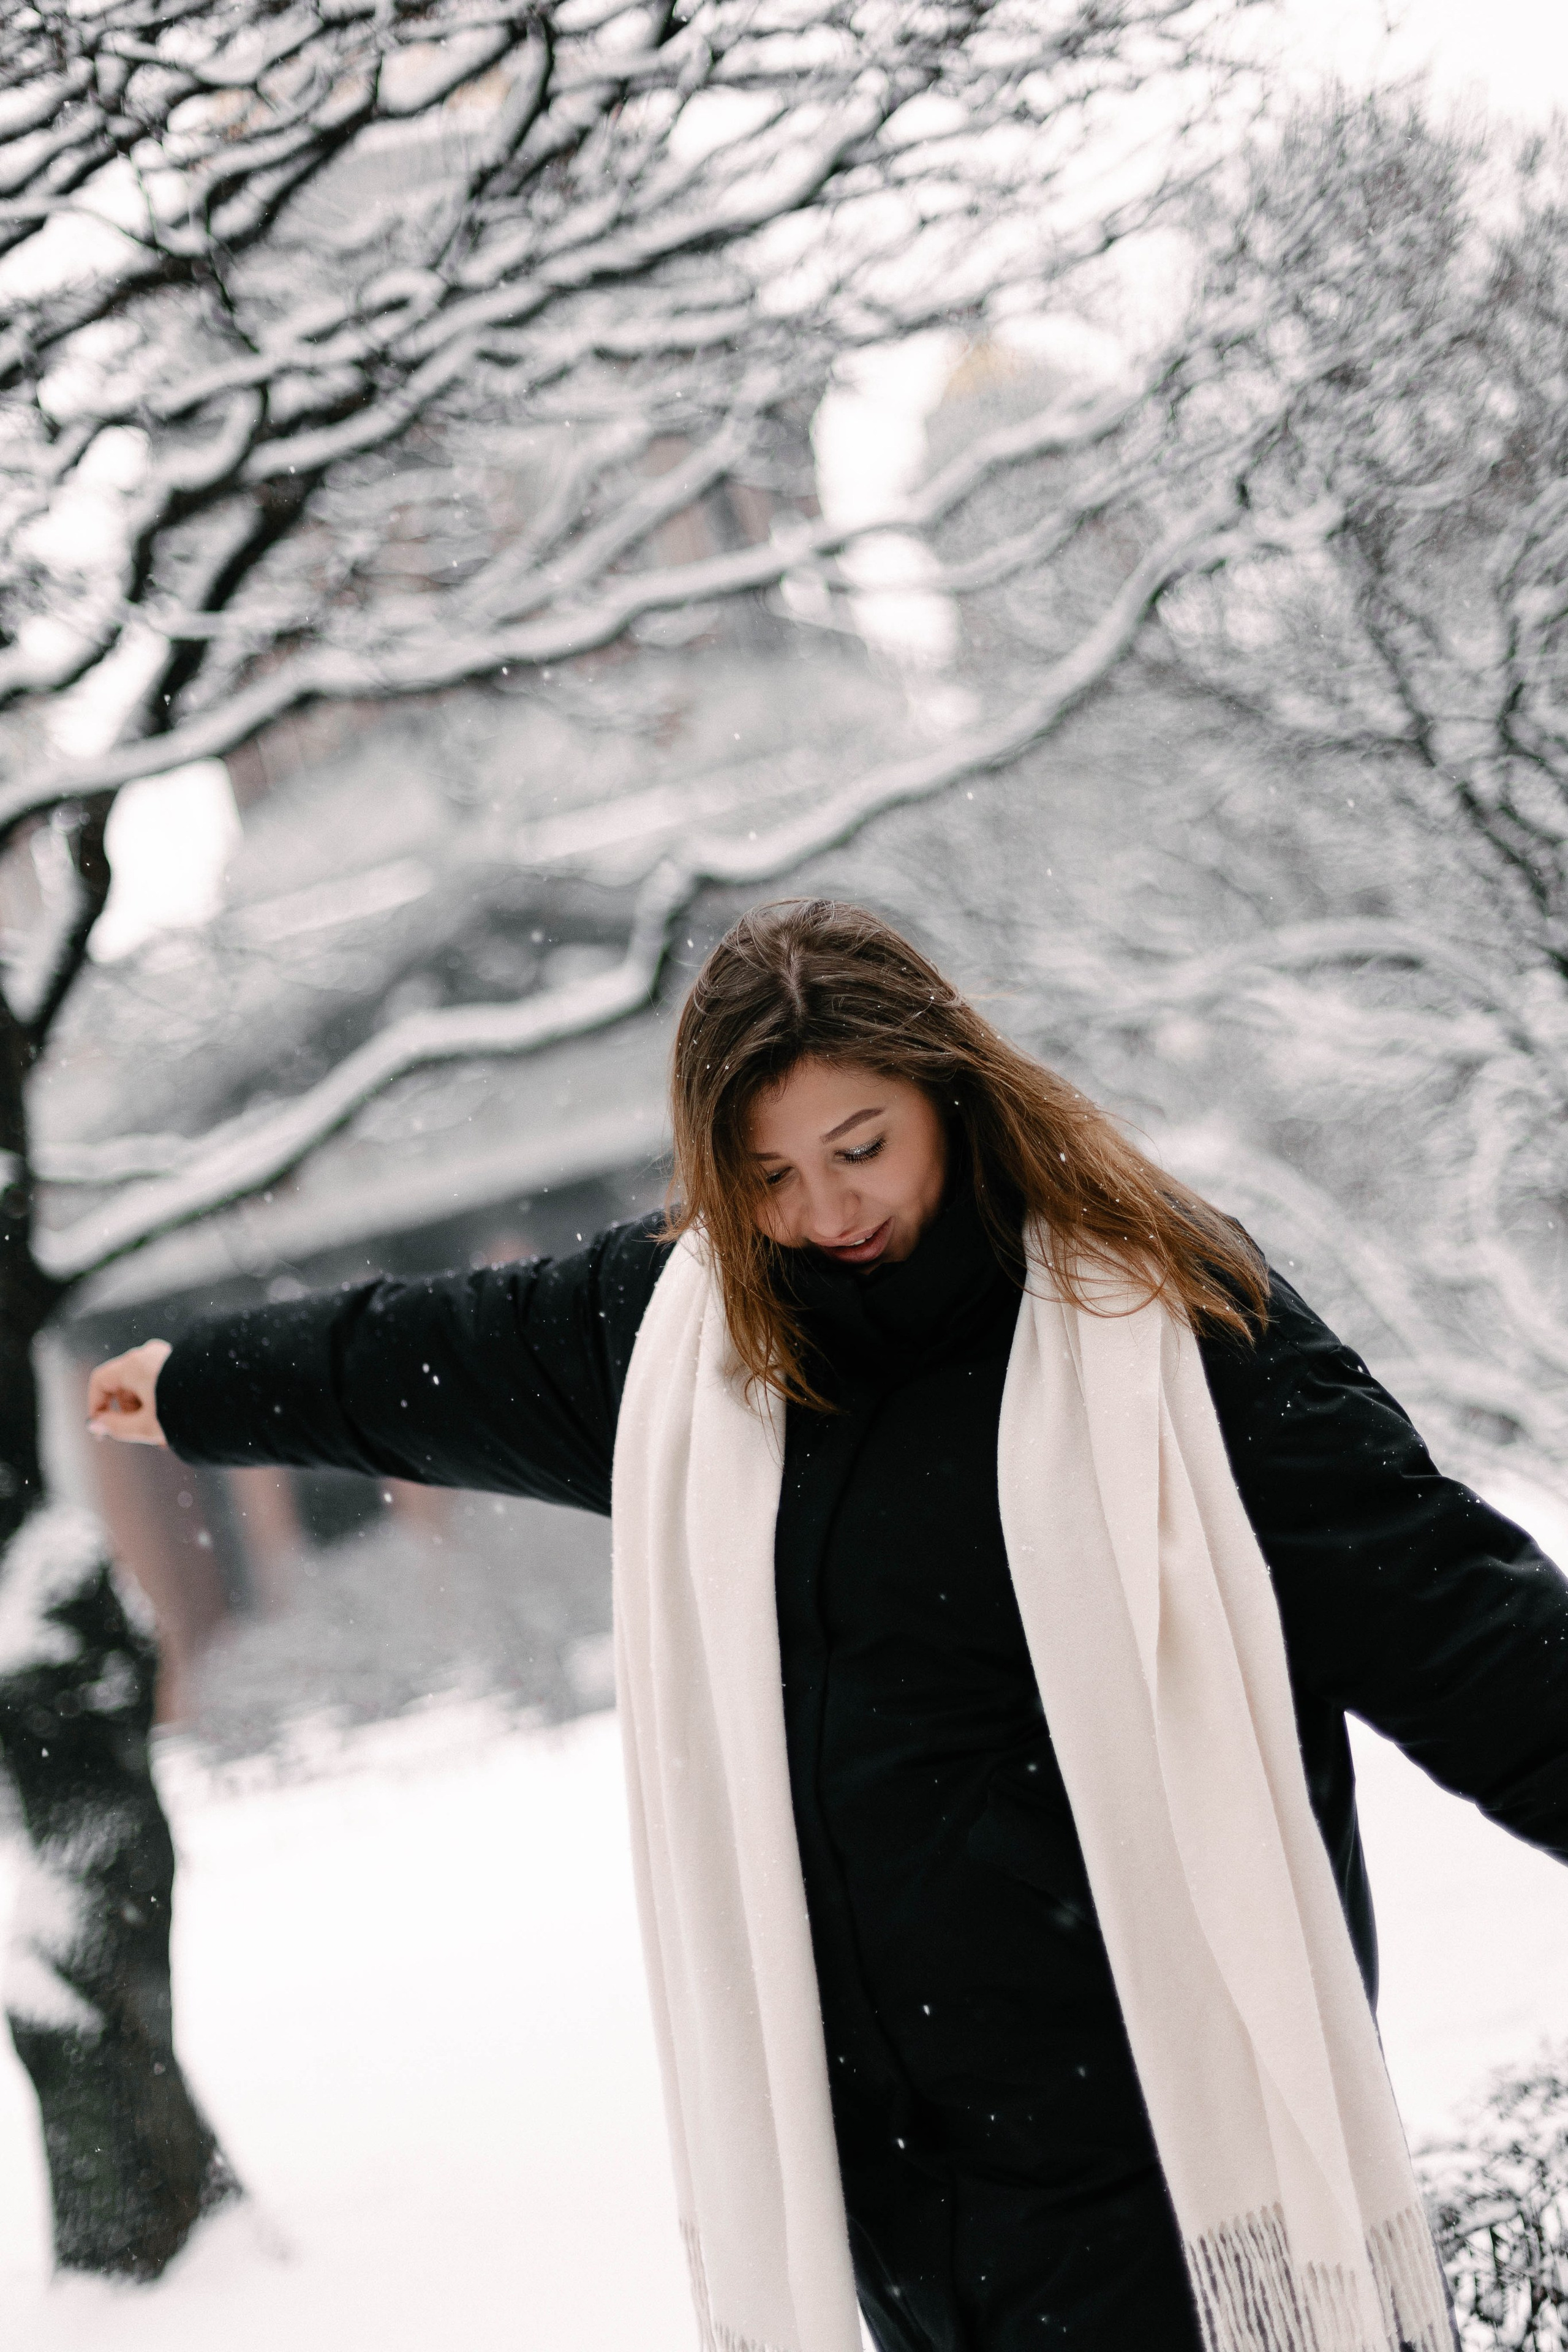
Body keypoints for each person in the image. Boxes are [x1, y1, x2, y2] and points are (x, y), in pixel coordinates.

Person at [89, 899, 1568, 2352]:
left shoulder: (1166, 1327)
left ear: (951, 1096)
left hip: (1153, 2152)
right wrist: (195, 1389)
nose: (825, 1211)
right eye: (769, 1175)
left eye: (861, 1149)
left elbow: (1445, 1611)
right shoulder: (687, 1349)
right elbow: (422, 1357)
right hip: (877, 2182)